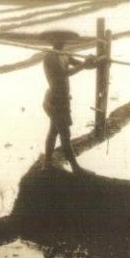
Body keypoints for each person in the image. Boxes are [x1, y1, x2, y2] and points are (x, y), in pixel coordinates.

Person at [39, 29, 98, 174]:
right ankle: (75, 167)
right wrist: (83, 66)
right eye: (57, 40)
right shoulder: (50, 58)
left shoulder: (64, 54)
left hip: (63, 98)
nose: (61, 42)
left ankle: (47, 164)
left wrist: (93, 61)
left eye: (63, 40)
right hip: (54, 99)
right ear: (52, 41)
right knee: (65, 133)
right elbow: (63, 74)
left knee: (54, 131)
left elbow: (83, 65)